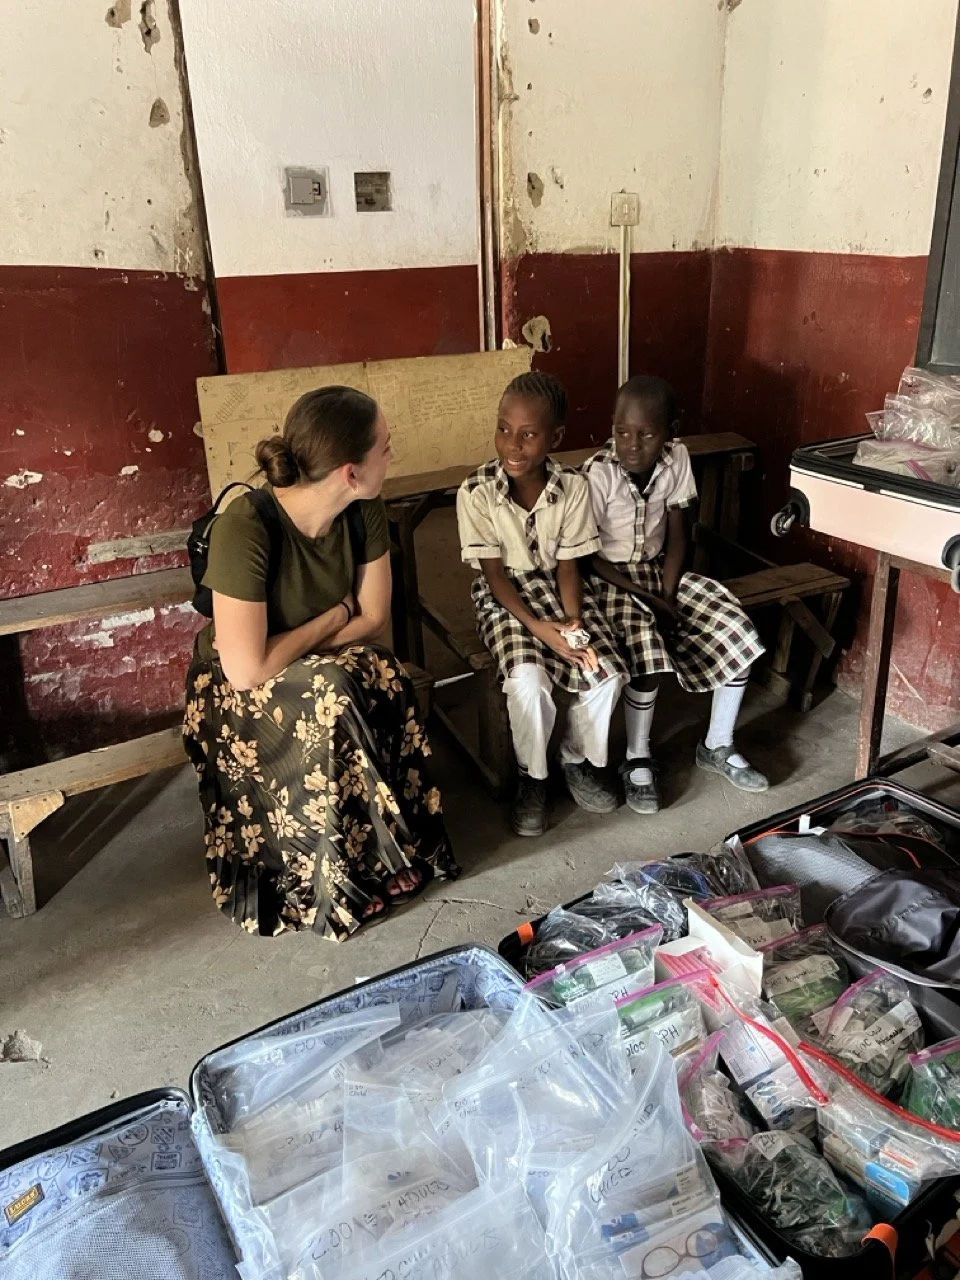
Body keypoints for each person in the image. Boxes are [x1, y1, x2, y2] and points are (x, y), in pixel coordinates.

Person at [182, 386, 458, 939]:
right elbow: (245, 670)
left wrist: (307, 639)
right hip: (231, 693)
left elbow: (375, 616)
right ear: (350, 472)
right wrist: (334, 617)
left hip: (313, 664)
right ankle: (335, 877)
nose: (392, 456)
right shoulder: (248, 527)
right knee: (334, 687)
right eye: (385, 447)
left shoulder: (362, 510)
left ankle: (382, 852)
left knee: (382, 673)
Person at [582, 375, 768, 814]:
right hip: (611, 580)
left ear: (670, 431)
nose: (633, 444)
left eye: (647, 434)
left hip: (661, 574)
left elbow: (679, 536)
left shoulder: (677, 458)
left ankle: (718, 744)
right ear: (611, 427)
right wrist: (651, 601)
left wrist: (668, 593)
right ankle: (637, 756)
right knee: (646, 644)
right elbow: (588, 556)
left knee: (733, 628)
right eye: (622, 432)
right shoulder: (598, 473)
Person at [456, 371, 628, 837]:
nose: (512, 445)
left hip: (560, 591)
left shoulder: (572, 487)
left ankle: (576, 759)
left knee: (603, 672)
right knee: (528, 680)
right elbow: (494, 578)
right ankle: (534, 778)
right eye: (503, 429)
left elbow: (570, 567)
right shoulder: (476, 492)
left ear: (555, 437)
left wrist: (571, 625)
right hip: (506, 602)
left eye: (529, 434)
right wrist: (540, 629)